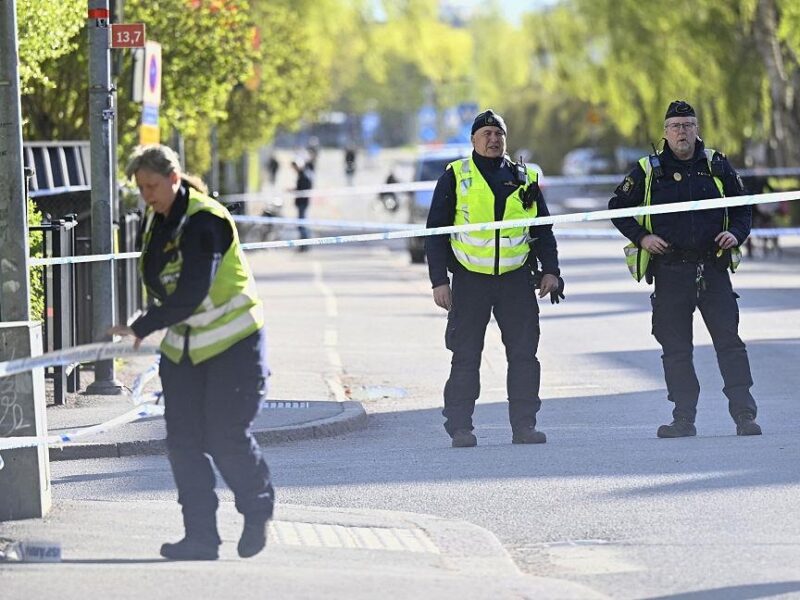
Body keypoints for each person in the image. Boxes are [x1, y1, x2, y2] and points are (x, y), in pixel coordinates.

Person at [109, 144, 274, 560]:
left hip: (234, 345)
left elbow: (192, 290)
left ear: (174, 178)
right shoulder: (159, 218)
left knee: (224, 436)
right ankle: (200, 538)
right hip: (184, 351)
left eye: (152, 186)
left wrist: (140, 326)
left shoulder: (205, 221)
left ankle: (257, 508)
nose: (146, 196)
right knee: (183, 442)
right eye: (141, 188)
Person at [608, 100, 761, 438]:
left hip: (712, 268)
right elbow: (618, 207)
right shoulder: (648, 170)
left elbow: (743, 207)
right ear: (665, 132)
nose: (682, 132)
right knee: (676, 350)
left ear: (697, 129)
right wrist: (643, 237)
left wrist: (735, 234)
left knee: (729, 344)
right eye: (676, 126)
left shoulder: (716, 165)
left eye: (689, 125)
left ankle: (744, 415)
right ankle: (684, 419)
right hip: (671, 270)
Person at [425, 109, 563, 448]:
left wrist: (551, 270)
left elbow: (543, 229)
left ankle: (524, 426)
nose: (493, 139)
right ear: (473, 139)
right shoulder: (456, 175)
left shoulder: (524, 176)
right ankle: (461, 427)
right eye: (486, 133)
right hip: (471, 281)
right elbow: (435, 232)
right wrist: (438, 280)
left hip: (516, 280)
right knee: (466, 355)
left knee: (524, 355)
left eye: (498, 133)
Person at [291, 155, 314, 251]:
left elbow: (303, 189)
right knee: (301, 224)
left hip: (302, 203)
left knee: (302, 225)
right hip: (302, 203)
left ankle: (304, 245)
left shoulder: (304, 175)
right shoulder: (303, 174)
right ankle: (304, 244)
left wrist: (295, 190)